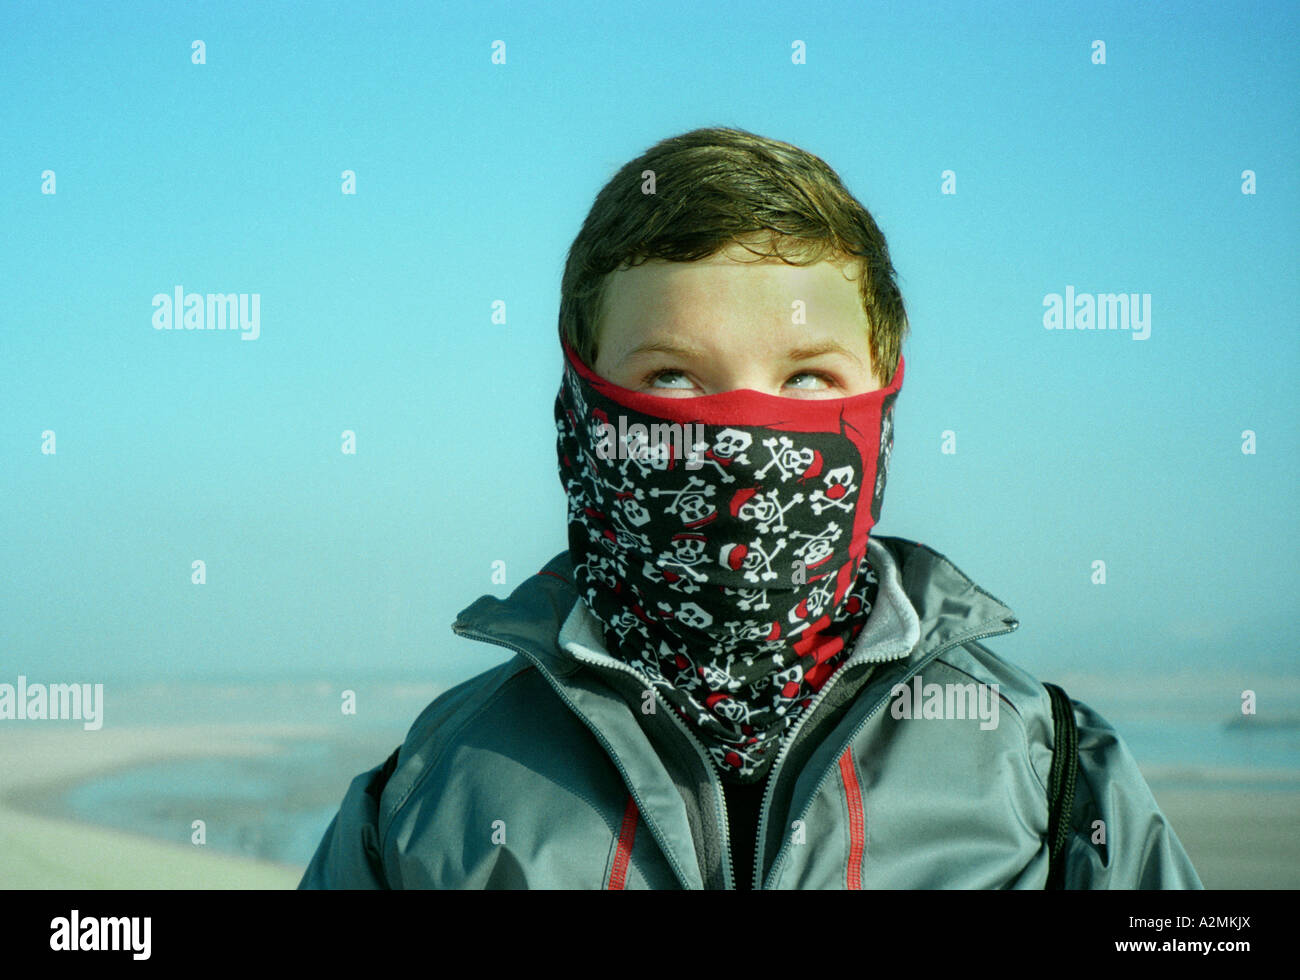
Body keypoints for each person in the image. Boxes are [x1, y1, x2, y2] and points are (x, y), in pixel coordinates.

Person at [299, 127, 1202, 889]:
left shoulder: (1049, 778)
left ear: (882, 410)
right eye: (672, 377)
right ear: (581, 413)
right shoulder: (430, 798)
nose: (744, 439)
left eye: (807, 377)